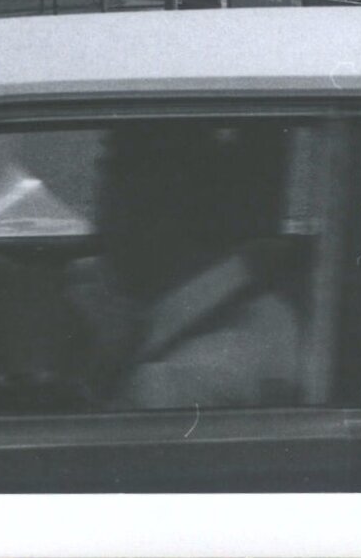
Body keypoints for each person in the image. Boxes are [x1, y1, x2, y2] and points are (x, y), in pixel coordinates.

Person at [61, 123, 304, 410]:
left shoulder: (170, 384)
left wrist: (92, 369)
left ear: (150, 216)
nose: (98, 235)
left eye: (109, 212)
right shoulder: (271, 312)